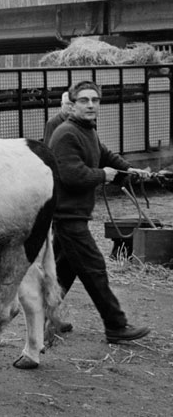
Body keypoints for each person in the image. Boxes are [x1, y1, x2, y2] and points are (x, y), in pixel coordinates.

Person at [48, 80, 151, 344]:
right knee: (95, 268)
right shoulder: (66, 133)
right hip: (68, 216)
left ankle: (41, 319)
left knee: (62, 274)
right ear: (72, 105)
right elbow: (71, 175)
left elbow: (105, 155)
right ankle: (116, 325)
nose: (91, 105)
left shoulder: (88, 130)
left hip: (75, 215)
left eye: (95, 100)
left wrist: (130, 170)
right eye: (84, 100)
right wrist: (102, 176)